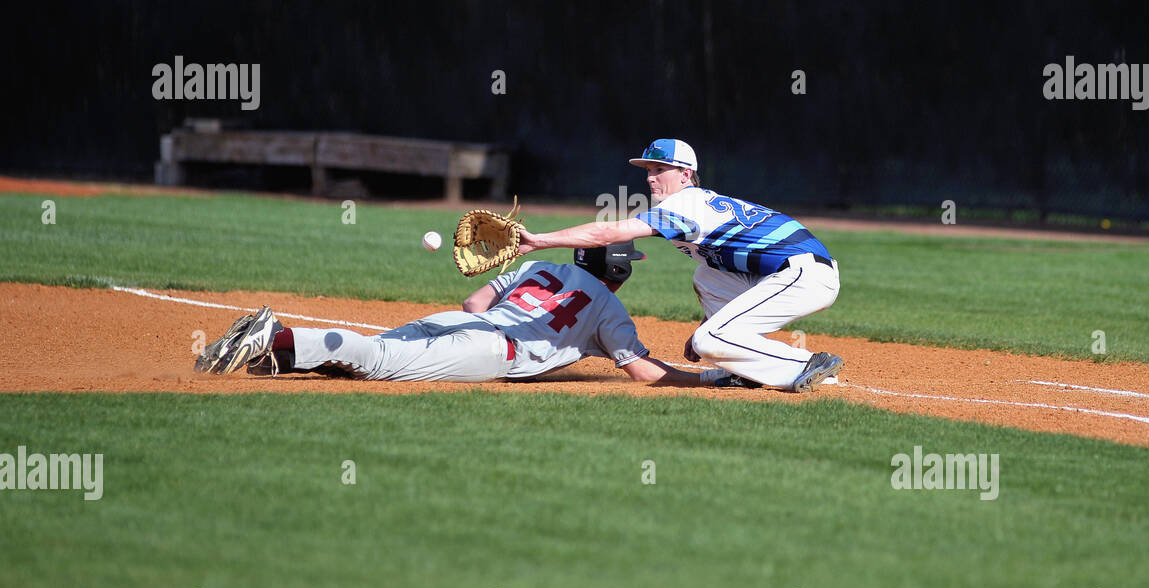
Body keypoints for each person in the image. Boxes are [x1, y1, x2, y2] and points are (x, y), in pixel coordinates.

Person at [518, 139, 843, 392]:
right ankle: (742, 367)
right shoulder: (696, 203)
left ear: (686, 174)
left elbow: (607, 231)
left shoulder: (687, 204)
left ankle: (809, 362)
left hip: (804, 274)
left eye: (660, 169)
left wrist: (538, 240)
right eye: (648, 170)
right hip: (799, 270)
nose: (650, 177)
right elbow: (725, 270)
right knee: (706, 276)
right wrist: (711, 321)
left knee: (708, 342)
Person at [193, 242, 747, 386]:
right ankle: (280, 332)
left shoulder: (539, 271)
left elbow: (472, 303)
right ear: (621, 272)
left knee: (381, 346)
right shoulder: (609, 307)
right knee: (381, 362)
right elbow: (644, 371)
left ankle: (285, 357)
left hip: (465, 324)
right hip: (488, 351)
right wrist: (710, 377)